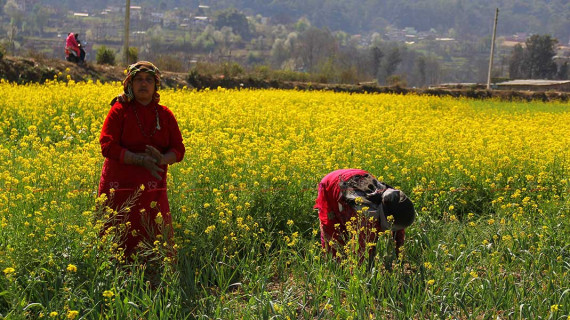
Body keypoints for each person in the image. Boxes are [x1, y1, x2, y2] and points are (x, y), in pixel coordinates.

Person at [98, 61, 185, 262]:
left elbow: (178, 150)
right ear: (130, 83)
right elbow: (107, 145)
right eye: (138, 79)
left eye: (148, 80)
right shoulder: (119, 110)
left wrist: (163, 158)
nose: (143, 84)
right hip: (119, 190)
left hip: (153, 191)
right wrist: (138, 160)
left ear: (156, 85)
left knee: (155, 244)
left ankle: (157, 281)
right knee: (116, 244)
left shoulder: (165, 115)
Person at [314, 169, 415, 262]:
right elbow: (359, 252)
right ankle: (334, 266)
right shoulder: (366, 216)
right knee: (334, 234)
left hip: (357, 176)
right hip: (332, 183)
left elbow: (399, 233)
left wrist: (399, 257)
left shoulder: (397, 205)